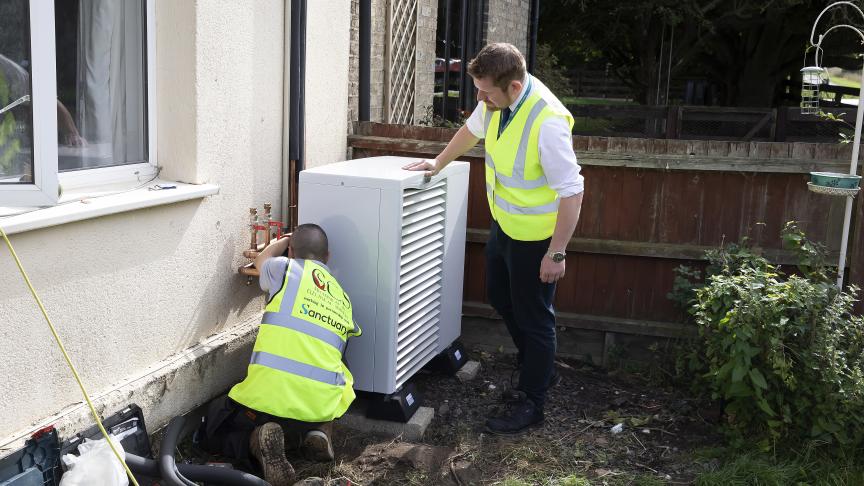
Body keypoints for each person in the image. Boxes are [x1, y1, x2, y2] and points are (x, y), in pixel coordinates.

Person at [404, 43, 584, 435]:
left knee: (536, 320)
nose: (479, 99)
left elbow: (572, 192)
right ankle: (539, 366)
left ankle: (532, 401)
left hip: (537, 239)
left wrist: (556, 253)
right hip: (504, 226)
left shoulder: (547, 122)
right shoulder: (495, 106)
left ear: (514, 87)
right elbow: (470, 132)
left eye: (485, 91)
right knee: (501, 298)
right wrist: (437, 161)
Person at [197, 224, 361, 486]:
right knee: (341, 364)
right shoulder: (343, 297)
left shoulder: (285, 268)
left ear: (292, 251)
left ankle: (255, 440)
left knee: (218, 425)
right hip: (317, 405)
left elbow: (262, 261)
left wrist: (281, 241)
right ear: (327, 257)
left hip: (267, 399)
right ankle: (319, 431)